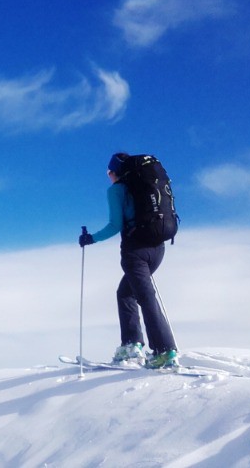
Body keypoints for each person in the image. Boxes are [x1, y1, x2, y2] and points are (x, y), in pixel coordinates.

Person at [79, 152, 179, 369]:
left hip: (135, 251)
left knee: (145, 297)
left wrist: (91, 239)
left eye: (109, 172)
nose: (109, 177)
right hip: (158, 248)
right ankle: (132, 344)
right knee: (125, 293)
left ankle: (164, 351)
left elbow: (115, 225)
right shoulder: (146, 184)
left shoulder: (117, 190)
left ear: (115, 172)